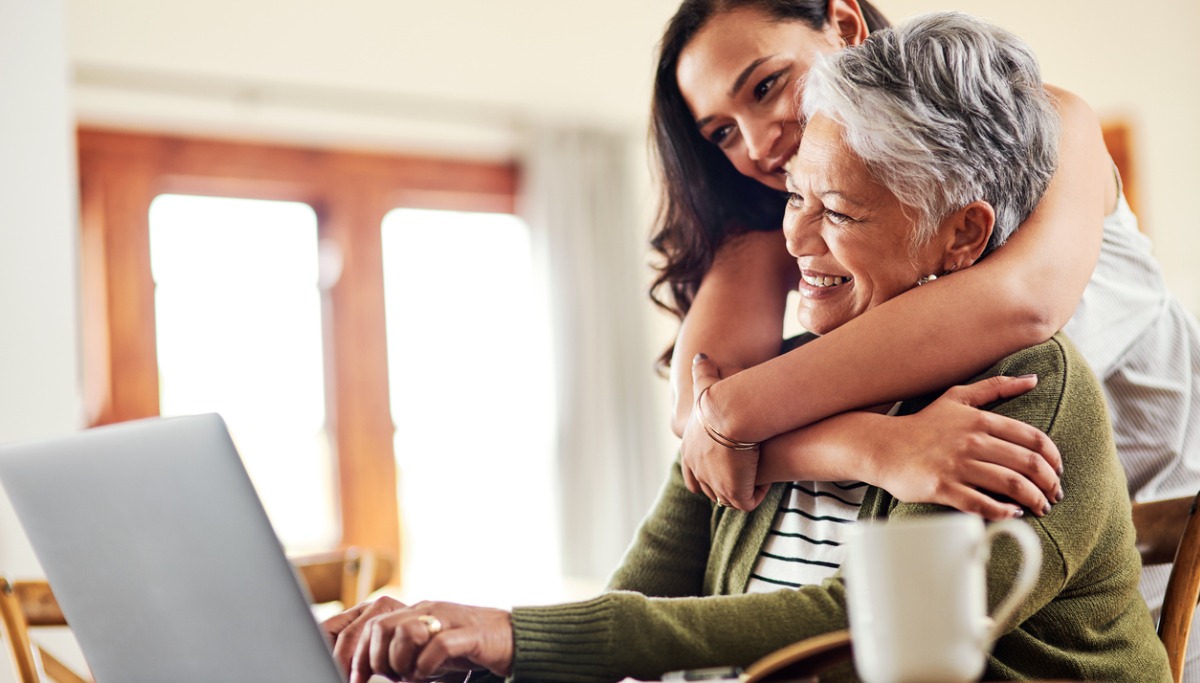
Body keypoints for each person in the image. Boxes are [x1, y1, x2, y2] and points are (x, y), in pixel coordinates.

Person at [322, 14, 1170, 682]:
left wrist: (520, 635)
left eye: (836, 212)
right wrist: (471, 647)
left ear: (959, 237)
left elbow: (865, 632)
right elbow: (647, 584)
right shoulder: (789, 369)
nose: (794, 237)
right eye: (793, 196)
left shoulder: (1021, 389)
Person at [654, 0, 1200, 661]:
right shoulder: (797, 218)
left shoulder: (1042, 125)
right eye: (721, 134)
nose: (758, 141)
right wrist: (870, 447)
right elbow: (696, 415)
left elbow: (1022, 305)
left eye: (766, 86)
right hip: (993, 583)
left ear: (845, 25)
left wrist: (735, 413)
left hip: (1164, 579)